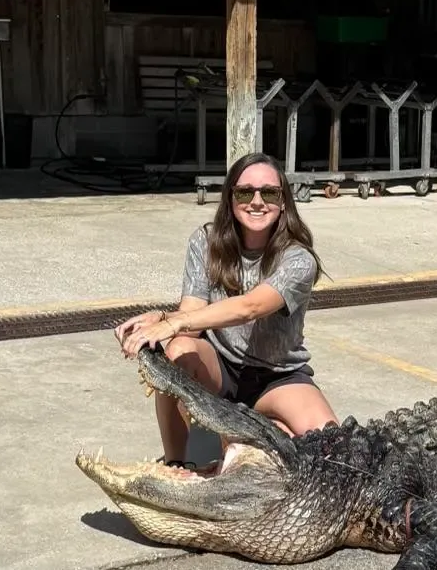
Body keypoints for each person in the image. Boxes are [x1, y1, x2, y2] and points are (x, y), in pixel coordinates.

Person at [114, 151, 338, 467]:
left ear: (283, 202)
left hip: (276, 376)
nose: (257, 201)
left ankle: (257, 428)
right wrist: (164, 319)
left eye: (269, 193)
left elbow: (251, 306)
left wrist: (172, 322)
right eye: (245, 192)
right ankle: (176, 464)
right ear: (230, 199)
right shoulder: (205, 242)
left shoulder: (298, 259)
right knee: (178, 349)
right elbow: (191, 320)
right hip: (221, 369)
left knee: (334, 452)